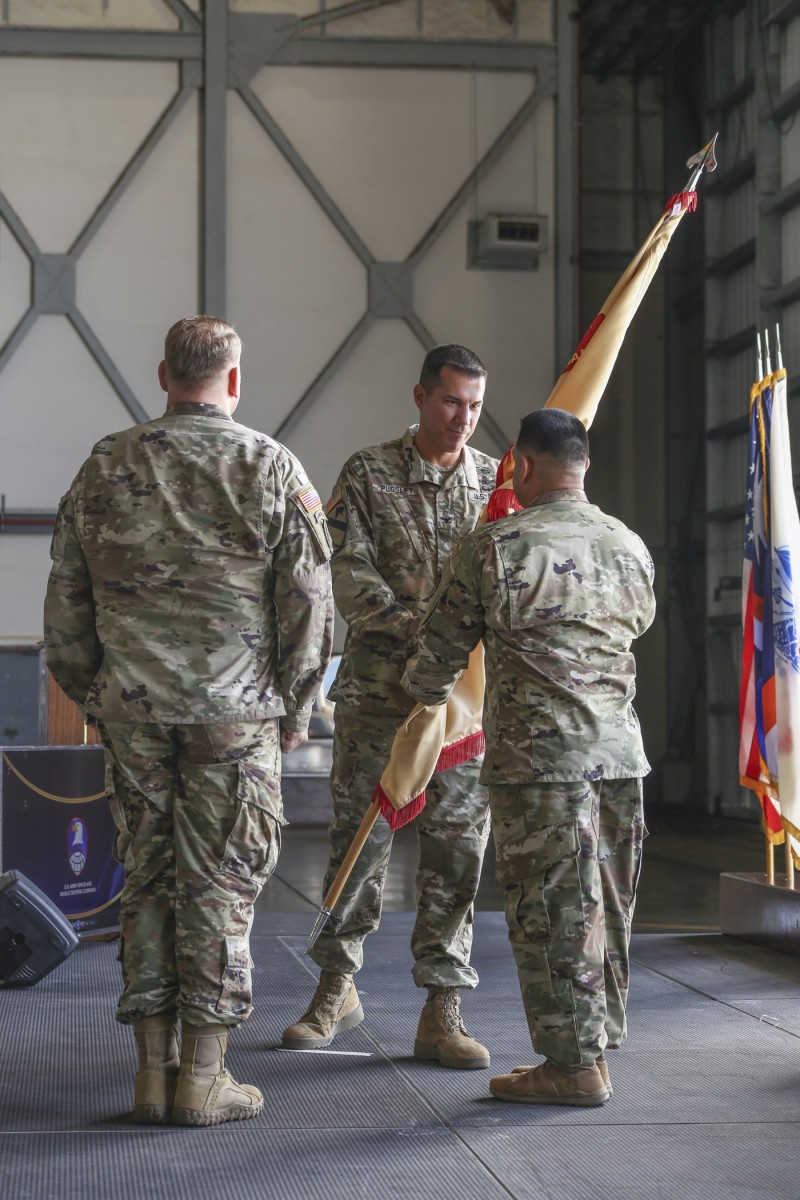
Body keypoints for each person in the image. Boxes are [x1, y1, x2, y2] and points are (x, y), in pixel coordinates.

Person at [44, 316, 334, 1127]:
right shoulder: (270, 465)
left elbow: (65, 599)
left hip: (133, 711)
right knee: (221, 886)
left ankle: (151, 1072)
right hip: (234, 714)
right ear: (232, 381)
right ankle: (204, 1078)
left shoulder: (105, 463)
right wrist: (298, 705)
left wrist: (96, 693)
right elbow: (310, 603)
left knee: (147, 880)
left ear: (164, 374)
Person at [402, 408, 655, 1106]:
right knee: (605, 907)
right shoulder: (628, 545)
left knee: (550, 913)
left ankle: (569, 1068)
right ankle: (594, 1051)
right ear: (584, 466)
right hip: (621, 759)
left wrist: (418, 691)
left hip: (540, 763)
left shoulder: (494, 548)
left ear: (521, 465)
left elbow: (434, 666)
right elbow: (637, 626)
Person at [281, 344, 498, 1068]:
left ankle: (443, 1008)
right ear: (419, 396)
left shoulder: (498, 485)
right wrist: (428, 633)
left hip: (462, 710)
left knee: (457, 854)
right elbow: (347, 574)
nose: (462, 418)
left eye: (473, 405)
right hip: (382, 696)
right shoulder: (369, 474)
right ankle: (335, 989)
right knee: (358, 844)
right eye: (449, 402)